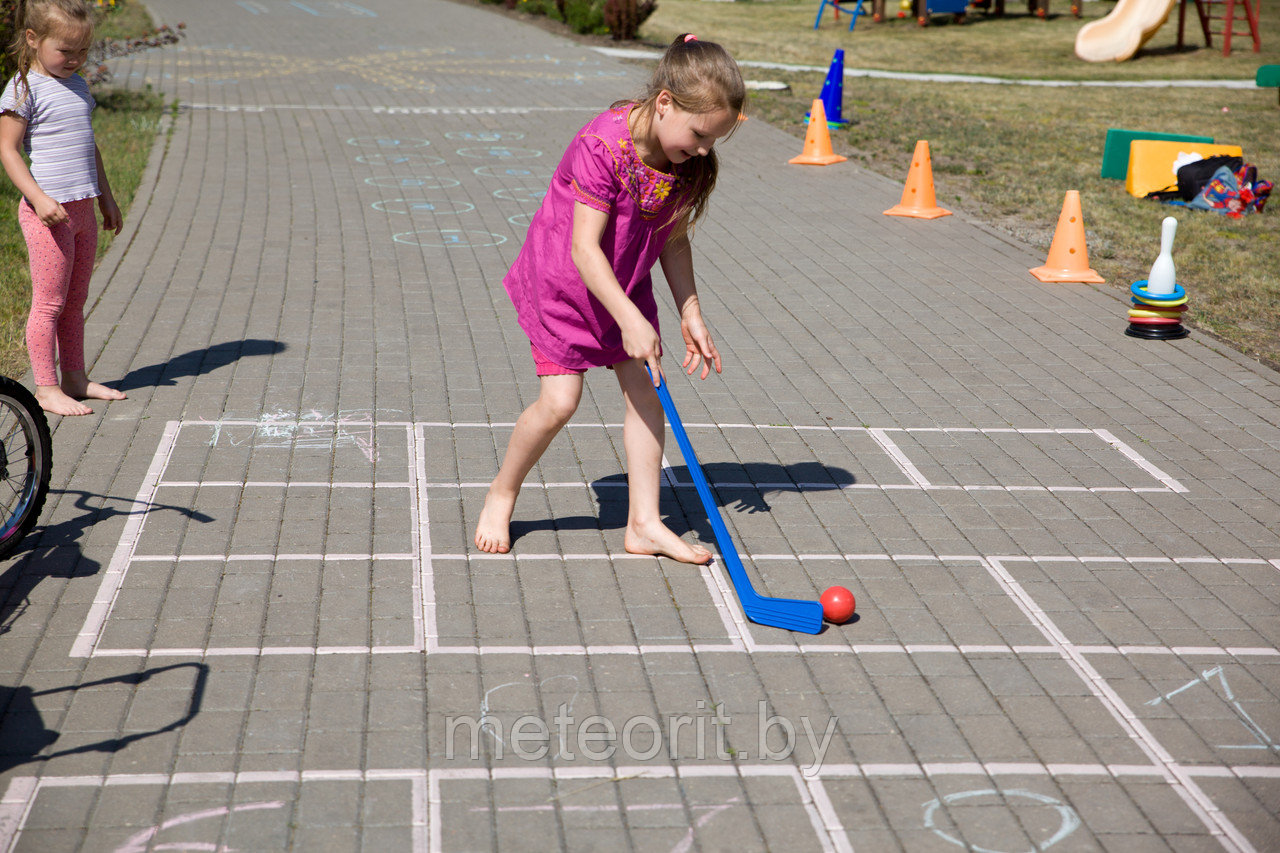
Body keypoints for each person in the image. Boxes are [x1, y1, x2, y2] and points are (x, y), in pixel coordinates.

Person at [474, 33, 745, 564]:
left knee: (648, 392)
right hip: (568, 285)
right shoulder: (604, 145)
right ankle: (502, 491)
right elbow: (583, 249)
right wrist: (631, 319)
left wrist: (690, 311)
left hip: (624, 281)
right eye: (699, 135)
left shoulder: (683, 159)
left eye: (714, 140)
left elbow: (672, 236)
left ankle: (644, 523)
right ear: (665, 102)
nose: (704, 151)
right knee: (559, 403)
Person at [0, 0, 126, 417]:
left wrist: (105, 196)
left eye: (83, 51)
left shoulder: (79, 86)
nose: (74, 60)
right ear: (34, 40)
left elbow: (89, 146)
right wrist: (38, 198)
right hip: (48, 215)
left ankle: (74, 377)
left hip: (83, 211)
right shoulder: (22, 89)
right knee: (49, 303)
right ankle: (46, 387)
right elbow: (7, 149)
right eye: (65, 51)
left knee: (75, 301)